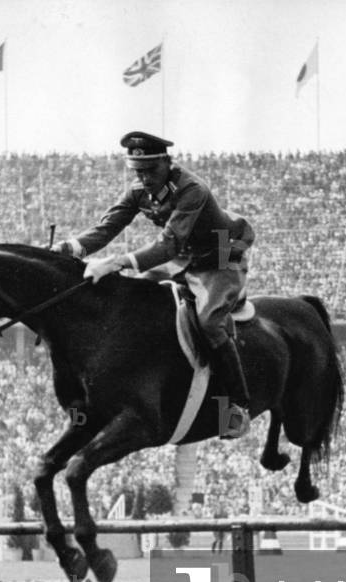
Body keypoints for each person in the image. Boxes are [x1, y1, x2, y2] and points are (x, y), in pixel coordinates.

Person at [59, 131, 255, 439]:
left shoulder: (192, 190)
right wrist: (71, 248)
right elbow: (107, 227)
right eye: (138, 171)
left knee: (207, 322)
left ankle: (238, 408)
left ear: (167, 162)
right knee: (136, 295)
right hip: (187, 255)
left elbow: (167, 247)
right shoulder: (139, 190)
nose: (144, 178)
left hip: (221, 251)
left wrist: (114, 262)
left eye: (151, 170)